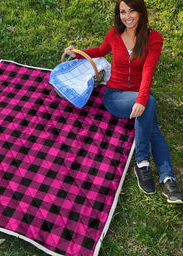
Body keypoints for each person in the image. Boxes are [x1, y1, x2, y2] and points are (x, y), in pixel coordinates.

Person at [64, 0, 183, 204]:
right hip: (115, 95)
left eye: (132, 11)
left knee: (150, 116)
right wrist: (77, 55)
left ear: (141, 11)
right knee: (150, 107)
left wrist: (142, 99)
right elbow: (101, 50)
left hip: (137, 93)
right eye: (123, 12)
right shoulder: (114, 34)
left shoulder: (154, 39)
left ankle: (166, 177)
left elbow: (148, 71)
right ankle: (146, 164)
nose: (127, 16)